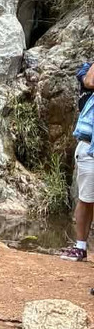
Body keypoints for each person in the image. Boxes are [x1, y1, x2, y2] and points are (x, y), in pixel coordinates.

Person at [61, 62, 94, 261]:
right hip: (89, 145)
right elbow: (90, 81)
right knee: (87, 199)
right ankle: (80, 246)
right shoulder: (86, 70)